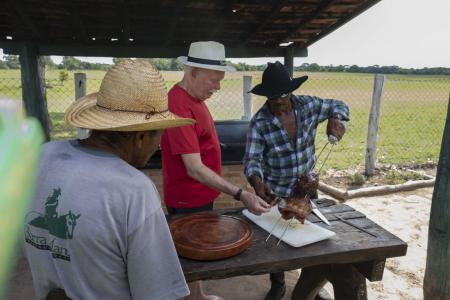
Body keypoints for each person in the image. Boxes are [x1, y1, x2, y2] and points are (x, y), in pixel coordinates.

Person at [23, 60, 194, 300]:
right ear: (141, 137)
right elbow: (160, 293)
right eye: (158, 136)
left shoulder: (44, 155)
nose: (157, 147)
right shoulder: (133, 189)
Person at [160, 41, 271, 300]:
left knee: (198, 256)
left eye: (220, 80)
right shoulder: (178, 104)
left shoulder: (195, 97)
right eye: (214, 80)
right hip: (187, 197)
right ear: (193, 72)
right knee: (194, 257)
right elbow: (194, 168)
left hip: (201, 195)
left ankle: (197, 297)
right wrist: (241, 193)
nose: (218, 87)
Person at [244, 61, 349, 300]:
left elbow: (339, 105)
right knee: (277, 247)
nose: (278, 102)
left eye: (282, 96)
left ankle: (312, 283)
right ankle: (278, 283)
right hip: (276, 190)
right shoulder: (260, 123)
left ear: (291, 91)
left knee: (312, 237)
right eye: (272, 98)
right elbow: (252, 161)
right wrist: (258, 183)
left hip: (308, 187)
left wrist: (337, 118)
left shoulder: (309, 105)